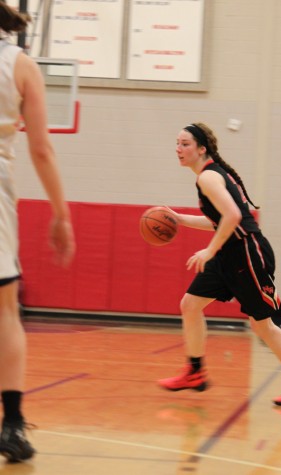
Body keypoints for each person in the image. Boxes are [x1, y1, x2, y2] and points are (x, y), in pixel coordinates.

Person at [158, 122, 281, 407]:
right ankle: (195, 372)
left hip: (246, 254)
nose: (178, 149)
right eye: (177, 143)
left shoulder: (208, 178)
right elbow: (219, 220)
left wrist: (209, 251)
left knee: (262, 325)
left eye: (185, 144)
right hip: (231, 254)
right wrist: (180, 219)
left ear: (201, 148)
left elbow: (231, 216)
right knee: (190, 305)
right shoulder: (212, 175)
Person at [0, 3, 75, 463]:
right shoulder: (20, 65)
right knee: (6, 311)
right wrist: (61, 213)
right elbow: (42, 149)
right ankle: (11, 426)